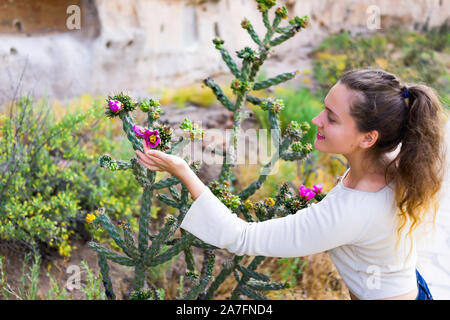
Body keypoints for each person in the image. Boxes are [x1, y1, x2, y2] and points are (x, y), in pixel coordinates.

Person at [135, 68, 447, 300]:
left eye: (331, 117)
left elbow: (239, 236)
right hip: (411, 287)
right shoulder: (395, 158)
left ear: (368, 138)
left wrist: (182, 170)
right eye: (324, 107)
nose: (316, 120)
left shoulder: (352, 209)